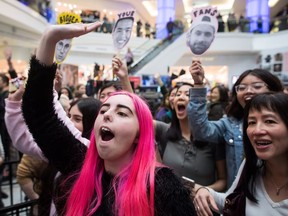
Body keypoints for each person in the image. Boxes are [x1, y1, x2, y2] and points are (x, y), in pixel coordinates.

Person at [21, 21, 196, 216]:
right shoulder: (80, 162)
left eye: (121, 113)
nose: (108, 115)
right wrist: (49, 38)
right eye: (103, 110)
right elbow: (40, 113)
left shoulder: (162, 187)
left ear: (139, 134)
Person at [188, 60, 284, 188]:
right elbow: (201, 131)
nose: (248, 91)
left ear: (272, 90)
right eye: (242, 88)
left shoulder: (284, 120)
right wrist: (199, 84)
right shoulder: (230, 123)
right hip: (240, 198)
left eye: (256, 86)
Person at [194, 92, 288, 216]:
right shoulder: (252, 165)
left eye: (269, 121)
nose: (257, 130)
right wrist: (203, 190)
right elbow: (231, 200)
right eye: (252, 122)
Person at [155, 83, 227, 192]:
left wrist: (202, 191)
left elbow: (223, 181)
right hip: (171, 206)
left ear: (198, 104)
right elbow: (139, 117)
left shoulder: (212, 136)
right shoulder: (165, 131)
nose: (180, 97)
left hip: (202, 207)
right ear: (173, 104)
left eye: (188, 94)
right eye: (178, 94)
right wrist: (124, 77)